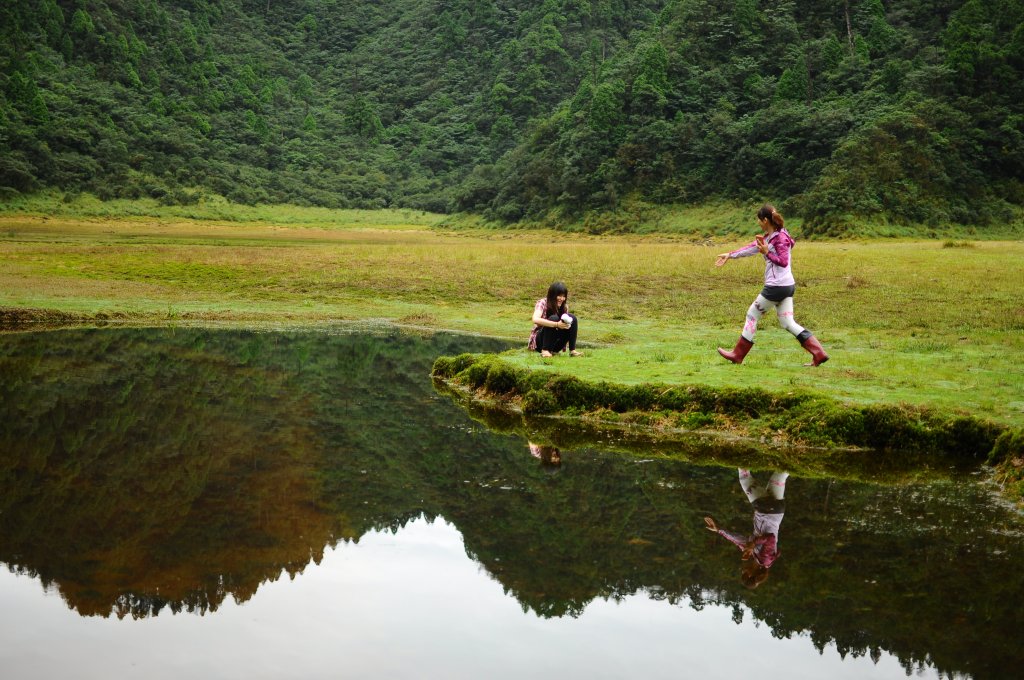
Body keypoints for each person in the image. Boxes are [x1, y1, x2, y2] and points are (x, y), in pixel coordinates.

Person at [714, 204, 828, 366]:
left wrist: (767, 252)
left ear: (766, 220)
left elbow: (783, 261)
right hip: (786, 286)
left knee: (752, 314)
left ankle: (738, 354)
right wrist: (730, 255)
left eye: (759, 220)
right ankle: (819, 353)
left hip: (776, 287)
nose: (758, 223)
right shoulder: (772, 236)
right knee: (788, 323)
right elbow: (752, 248)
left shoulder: (780, 238)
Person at [704, 469, 789, 589]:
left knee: (781, 473)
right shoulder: (766, 559)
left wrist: (718, 530)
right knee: (744, 478)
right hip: (766, 510)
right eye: (743, 572)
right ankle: (742, 454)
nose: (742, 569)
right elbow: (770, 538)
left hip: (774, 510)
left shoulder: (755, 555)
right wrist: (753, 544)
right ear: (749, 574)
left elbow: (738, 541)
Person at [528, 281, 582, 358]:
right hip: (540, 342)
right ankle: (545, 351)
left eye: (564, 296)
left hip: (555, 343)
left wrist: (564, 325)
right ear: (552, 295)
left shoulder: (564, 307)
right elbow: (535, 319)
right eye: (559, 296)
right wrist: (556, 324)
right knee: (554, 318)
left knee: (572, 318)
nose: (562, 299)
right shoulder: (543, 302)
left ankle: (572, 350)